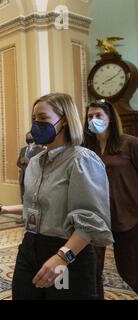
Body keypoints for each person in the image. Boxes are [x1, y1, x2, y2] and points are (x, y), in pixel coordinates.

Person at [0, 93, 114, 300]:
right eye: (34, 119)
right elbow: (39, 207)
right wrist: (4, 209)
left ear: (65, 120)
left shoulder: (82, 160)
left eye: (43, 118)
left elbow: (90, 223)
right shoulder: (35, 162)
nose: (36, 125)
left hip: (67, 252)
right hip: (30, 247)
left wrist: (63, 257)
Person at [82, 99, 138, 296]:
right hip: (95, 217)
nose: (93, 119)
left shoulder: (130, 143)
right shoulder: (86, 148)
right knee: (92, 271)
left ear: (110, 119)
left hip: (127, 216)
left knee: (129, 270)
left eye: (98, 116)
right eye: (90, 116)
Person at [16, 132, 45, 202]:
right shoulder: (23, 149)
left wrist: (29, 162)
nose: (29, 139)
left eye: (30, 138)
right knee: (23, 199)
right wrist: (21, 161)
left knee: (32, 200)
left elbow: (41, 166)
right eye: (27, 138)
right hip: (23, 178)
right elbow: (18, 164)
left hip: (33, 179)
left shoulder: (41, 150)